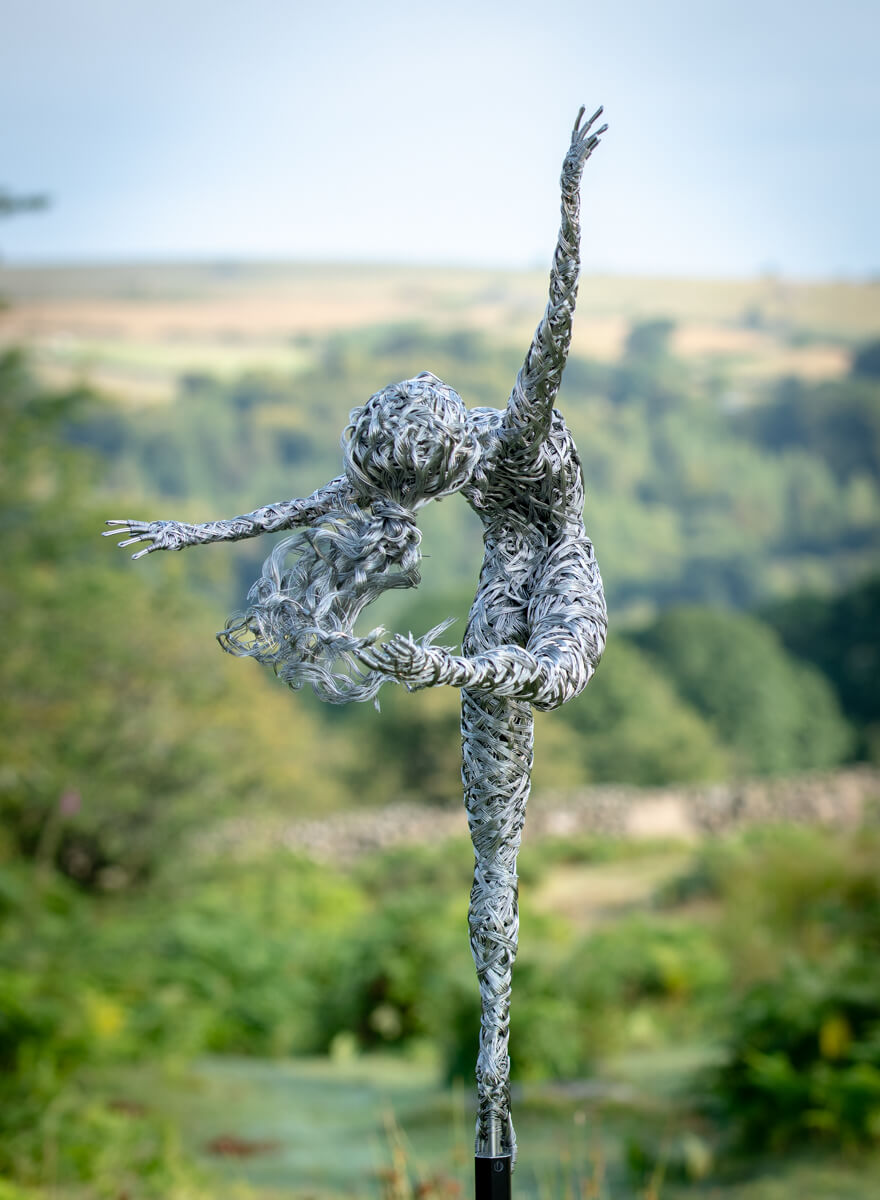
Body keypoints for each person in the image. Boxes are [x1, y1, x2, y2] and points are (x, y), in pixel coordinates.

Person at [105, 105, 608, 1161]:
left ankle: (494, 1072)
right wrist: (192, 533)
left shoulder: (509, 437)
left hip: (554, 569)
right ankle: (490, 1070)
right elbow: (304, 507)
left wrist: (568, 189)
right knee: (491, 822)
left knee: (541, 678)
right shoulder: (420, 461)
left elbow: (555, 320)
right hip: (501, 584)